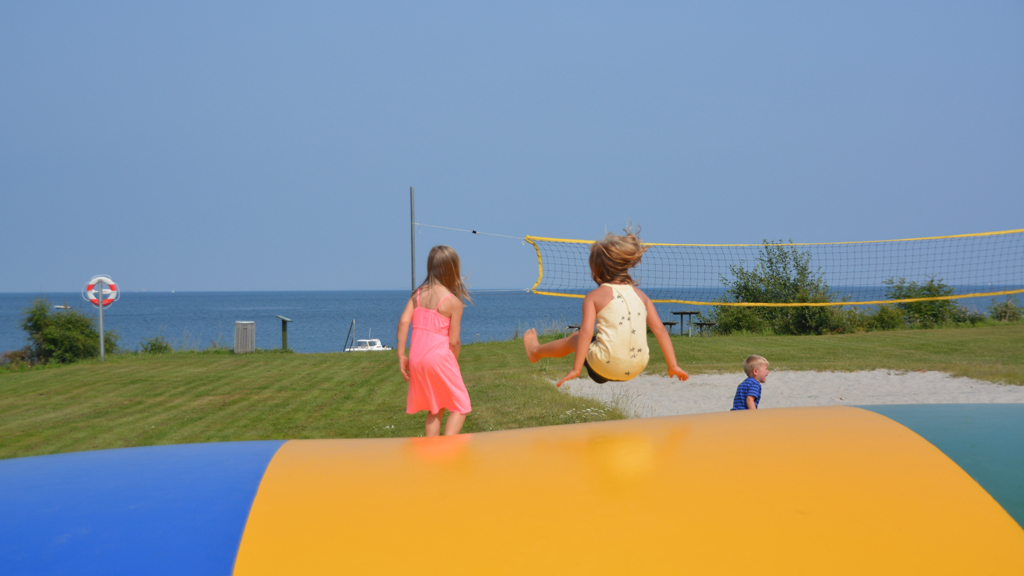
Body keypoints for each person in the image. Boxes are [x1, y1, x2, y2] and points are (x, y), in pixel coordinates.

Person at [523, 227, 689, 387]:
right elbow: (660, 330)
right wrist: (673, 365)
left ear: (596, 269)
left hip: (602, 366)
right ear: (625, 265)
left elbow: (586, 333)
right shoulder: (642, 296)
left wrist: (576, 369)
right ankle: (539, 351)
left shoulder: (594, 297)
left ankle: (535, 351)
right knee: (598, 343)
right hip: (636, 367)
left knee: (575, 338)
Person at [396, 245, 472, 436]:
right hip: (440, 359)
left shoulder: (417, 295)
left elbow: (404, 321)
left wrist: (401, 355)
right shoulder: (453, 303)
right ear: (452, 269)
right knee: (461, 404)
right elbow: (454, 341)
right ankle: (447, 446)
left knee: (435, 407)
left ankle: (432, 450)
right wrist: (453, 361)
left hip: (417, 359)